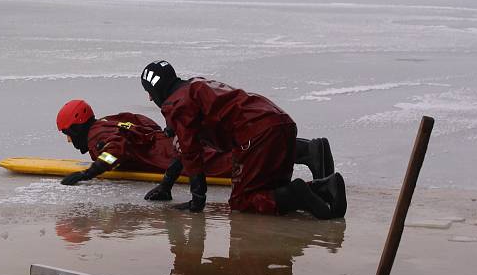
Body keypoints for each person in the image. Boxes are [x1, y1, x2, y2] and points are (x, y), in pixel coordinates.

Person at [140, 60, 346, 219]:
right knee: (270, 190)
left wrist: (198, 199)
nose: (150, 98)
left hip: (254, 133)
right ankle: (324, 187)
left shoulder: (178, 104)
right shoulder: (195, 85)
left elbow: (190, 152)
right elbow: (184, 147)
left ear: (157, 89)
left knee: (242, 202)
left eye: (149, 92)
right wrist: (166, 186)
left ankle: (300, 193)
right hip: (279, 121)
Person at [56, 99, 233, 187]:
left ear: (76, 128)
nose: (68, 139)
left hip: (167, 156)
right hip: (169, 143)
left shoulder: (96, 138)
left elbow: (116, 150)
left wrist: (89, 173)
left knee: (230, 164)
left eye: (67, 133)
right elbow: (139, 119)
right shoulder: (106, 121)